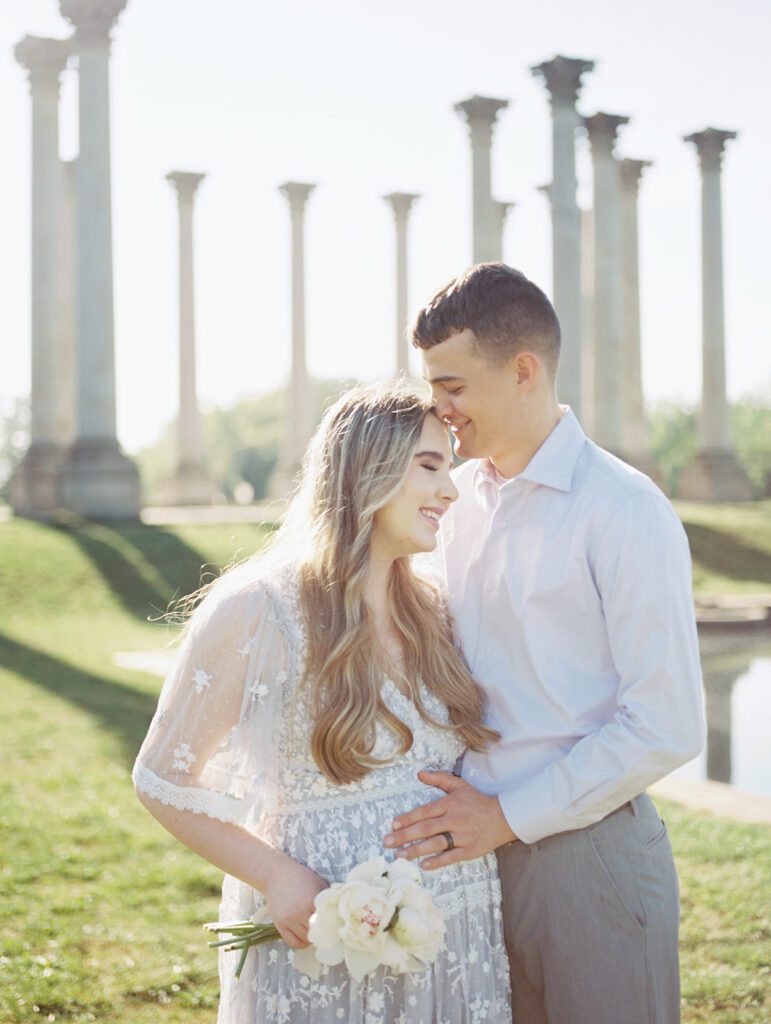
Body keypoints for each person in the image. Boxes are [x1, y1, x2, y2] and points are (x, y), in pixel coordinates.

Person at [383, 263, 706, 1024]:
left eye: (453, 386)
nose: (439, 408)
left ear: (523, 371)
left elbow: (666, 724)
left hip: (587, 861)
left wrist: (506, 817)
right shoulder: (451, 511)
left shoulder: (622, 509)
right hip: (465, 864)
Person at [132, 382, 512, 1024]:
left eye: (451, 467)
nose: (451, 490)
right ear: (366, 467)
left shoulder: (439, 609)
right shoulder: (259, 609)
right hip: (321, 955)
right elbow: (160, 778)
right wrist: (278, 878)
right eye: (429, 466)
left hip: (454, 945)